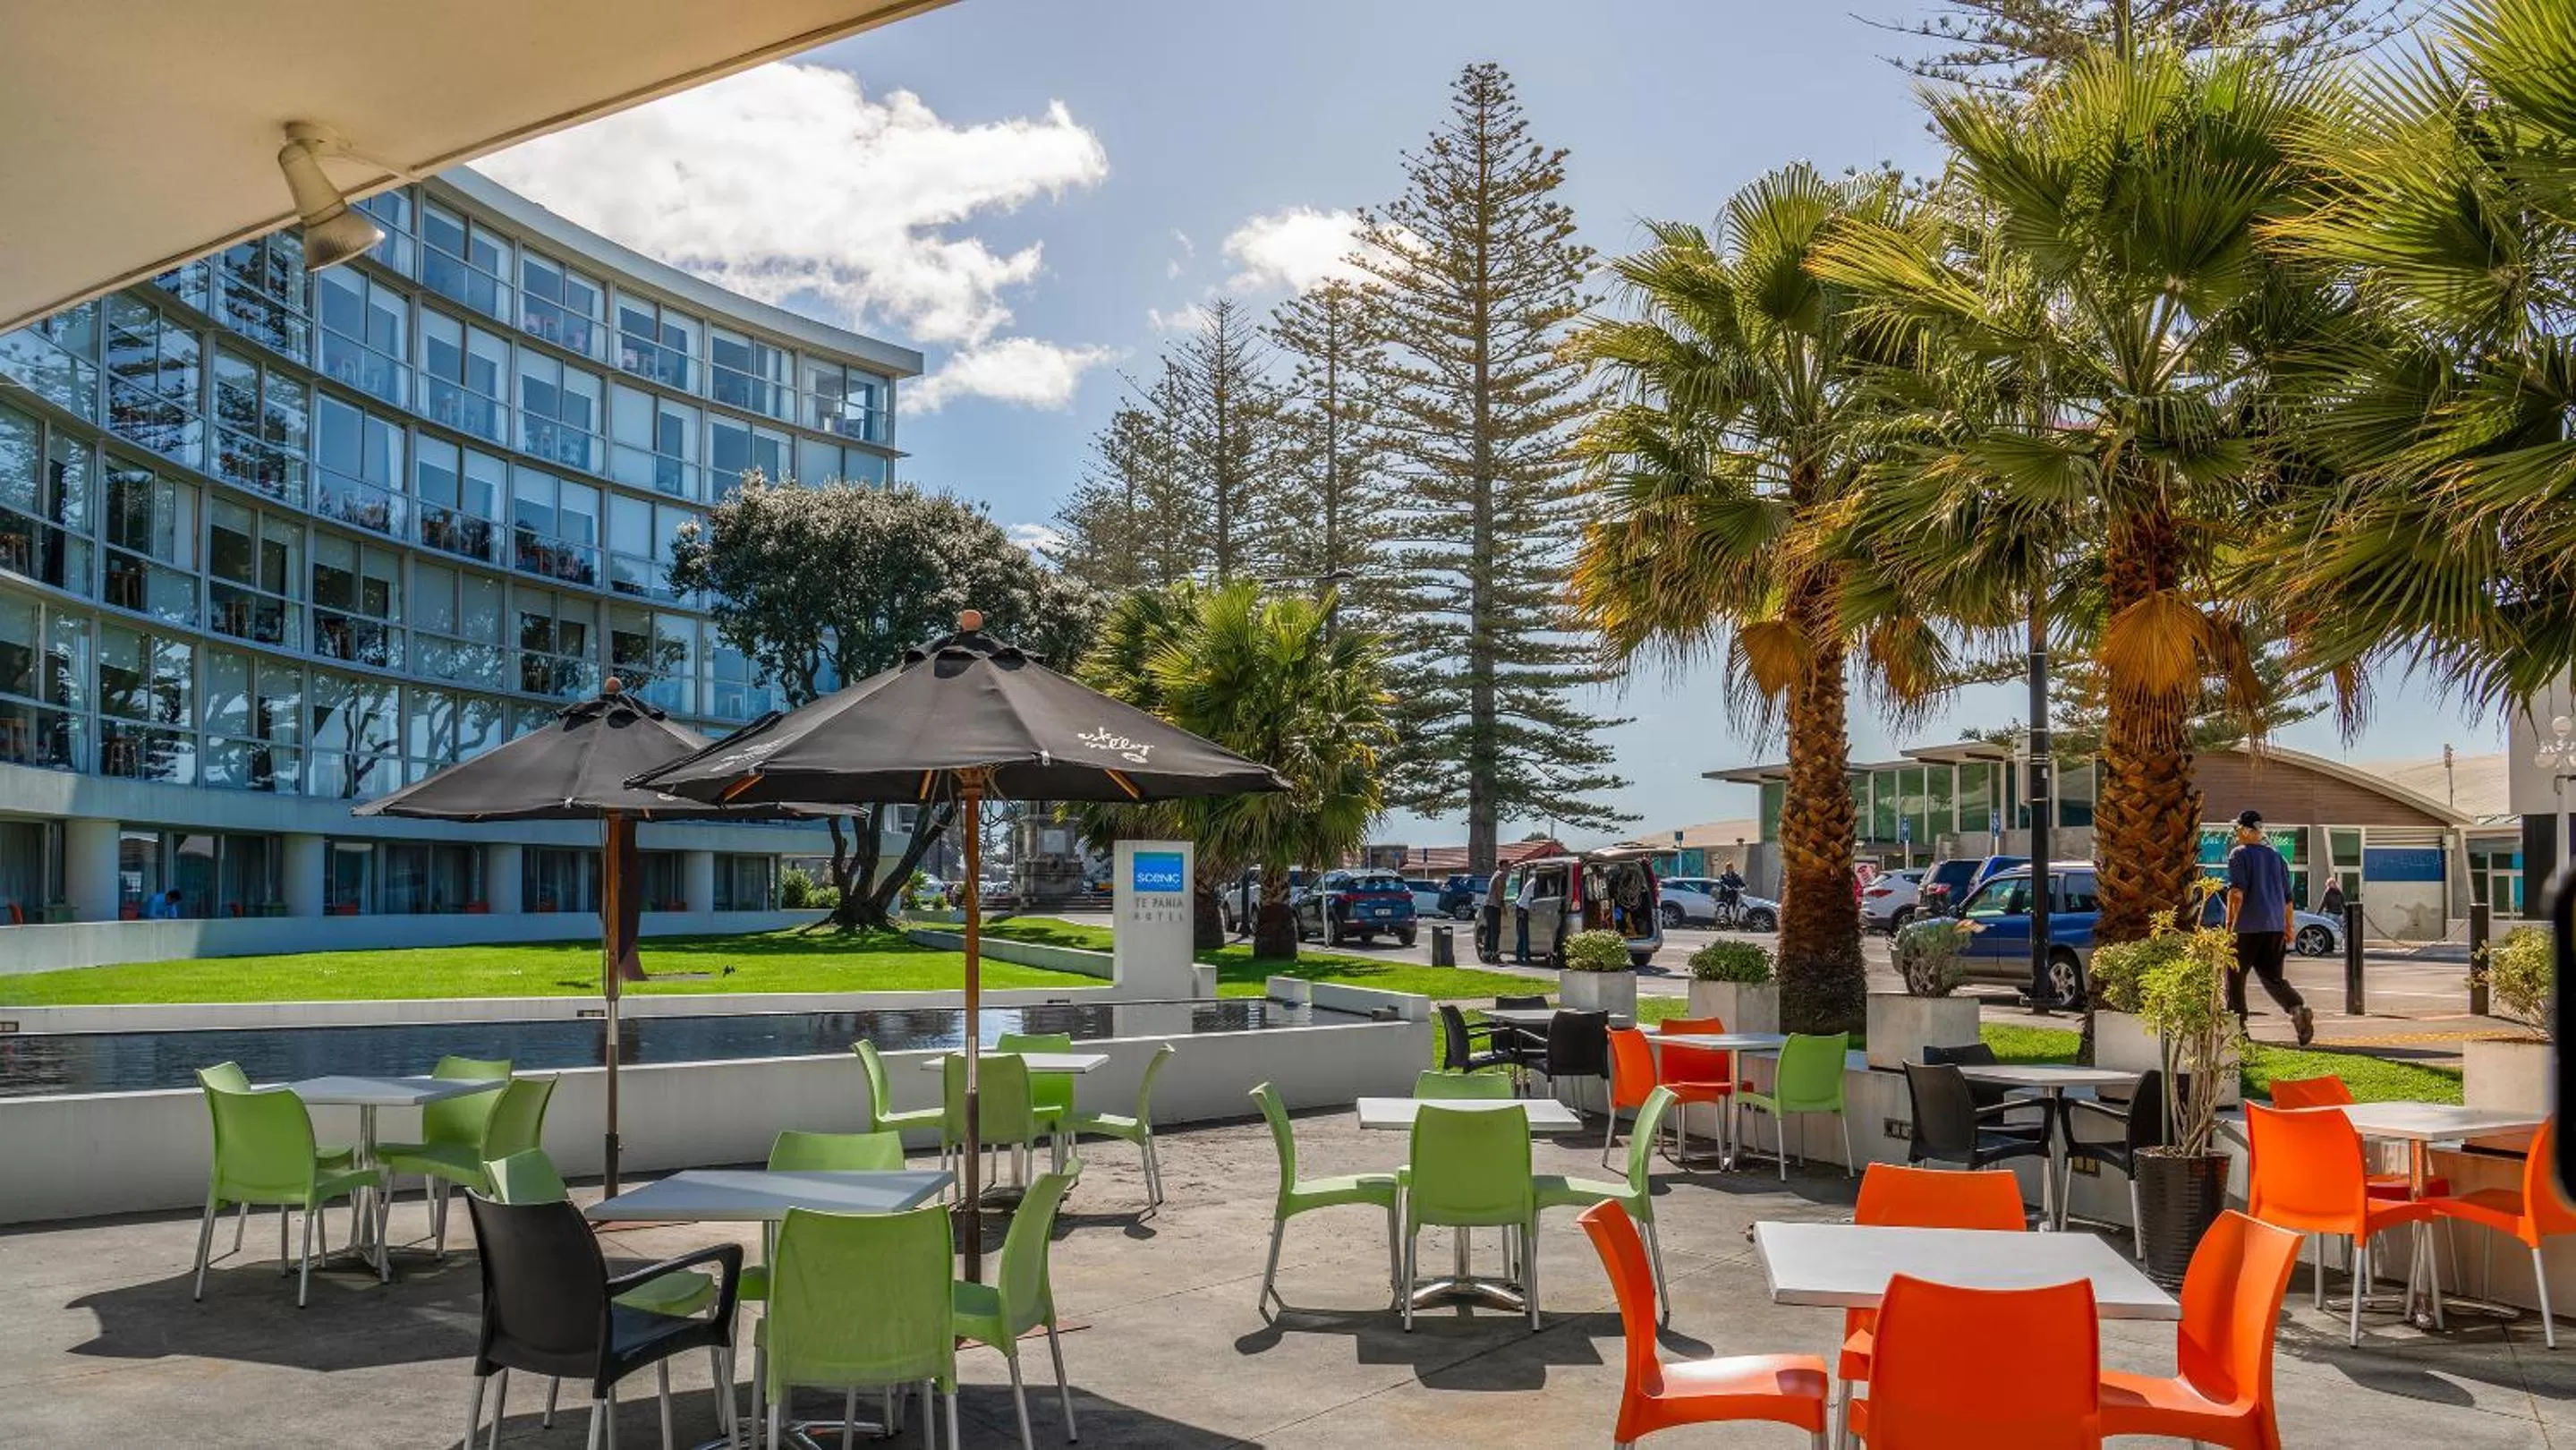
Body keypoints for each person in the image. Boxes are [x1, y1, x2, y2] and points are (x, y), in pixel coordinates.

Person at [2225, 808, 2315, 1045]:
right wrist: (2288, 926)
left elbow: (2236, 893)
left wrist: (2229, 927)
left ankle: (2238, 1029)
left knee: (2234, 976)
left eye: (2237, 829)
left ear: (2246, 831)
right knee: (2273, 978)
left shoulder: (2239, 855)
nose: (2236, 833)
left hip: (2246, 927)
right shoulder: (2277, 858)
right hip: (2274, 926)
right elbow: (2288, 899)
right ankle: (2297, 1008)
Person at [1478, 866, 1508, 963]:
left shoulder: (1495, 875)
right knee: (1495, 931)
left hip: (1488, 906)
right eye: (1508, 865)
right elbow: (1500, 890)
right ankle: (1495, 954)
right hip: (1494, 906)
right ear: (1503, 865)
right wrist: (1502, 904)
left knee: (1490, 931)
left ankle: (1486, 954)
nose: (1509, 868)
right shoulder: (1501, 875)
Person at [1513, 868, 1539, 964]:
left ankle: (1523, 956)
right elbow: (1533, 897)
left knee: (1523, 933)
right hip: (1522, 909)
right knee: (1523, 934)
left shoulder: (1532, 882)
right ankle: (1522, 957)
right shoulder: (1533, 883)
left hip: (1523, 907)